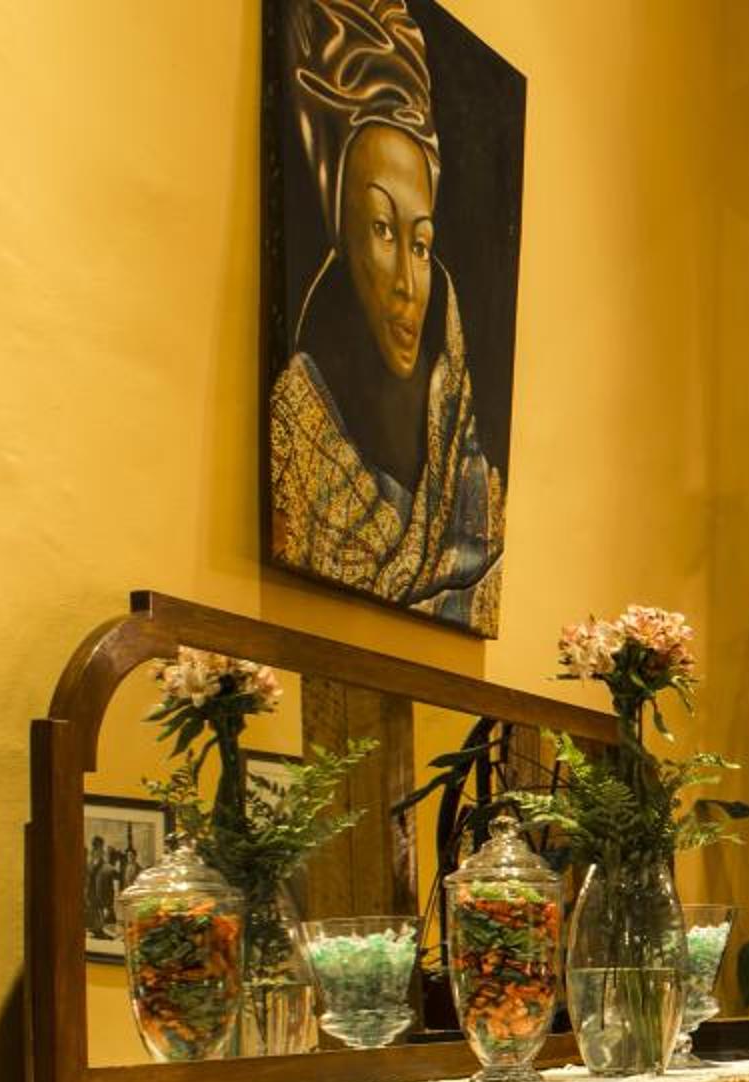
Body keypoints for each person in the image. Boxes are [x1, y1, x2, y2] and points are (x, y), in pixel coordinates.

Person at [269, 0, 505, 633]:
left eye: (421, 245)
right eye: (380, 228)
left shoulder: (460, 448)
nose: (407, 283)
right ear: (340, 233)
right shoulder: (299, 430)